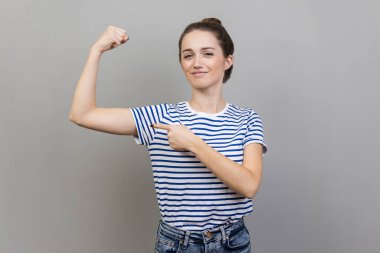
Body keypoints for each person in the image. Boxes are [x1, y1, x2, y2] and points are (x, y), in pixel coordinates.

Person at [69, 17, 267, 253]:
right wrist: (96, 51)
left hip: (231, 243)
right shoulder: (159, 118)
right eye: (188, 55)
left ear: (227, 60)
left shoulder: (246, 119)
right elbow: (82, 114)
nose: (197, 62)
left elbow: (249, 185)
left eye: (207, 53)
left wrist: (193, 143)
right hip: (177, 245)